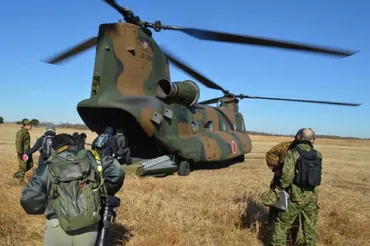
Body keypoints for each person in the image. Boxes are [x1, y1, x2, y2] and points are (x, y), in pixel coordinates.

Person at [20, 133, 125, 246]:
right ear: (74, 145)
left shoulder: (46, 167)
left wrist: (50, 204)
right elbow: (117, 173)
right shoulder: (92, 157)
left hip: (57, 224)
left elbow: (29, 201)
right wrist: (99, 192)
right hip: (89, 225)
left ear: (54, 148)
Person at [271, 128, 322, 246]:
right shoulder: (318, 154)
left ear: (298, 137)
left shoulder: (293, 153)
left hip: (295, 198)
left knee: (282, 224)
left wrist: (278, 188)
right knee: (310, 228)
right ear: (312, 140)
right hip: (312, 198)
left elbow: (287, 177)